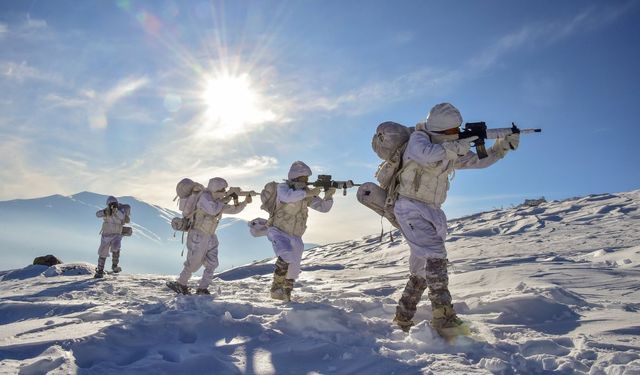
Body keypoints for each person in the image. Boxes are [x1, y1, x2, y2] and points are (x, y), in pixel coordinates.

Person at [392, 103, 520, 335]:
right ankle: (443, 316)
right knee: (436, 253)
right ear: (440, 131)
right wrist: (460, 144)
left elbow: (478, 161)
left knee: (422, 269)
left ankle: (403, 317)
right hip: (408, 206)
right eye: (453, 131)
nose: (456, 135)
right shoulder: (419, 139)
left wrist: (502, 147)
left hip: (432, 210)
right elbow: (428, 155)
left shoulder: (448, 147)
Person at [167, 177, 251, 295]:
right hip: (198, 234)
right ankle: (181, 283)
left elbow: (232, 210)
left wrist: (244, 202)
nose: (223, 192)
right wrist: (228, 198)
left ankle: (202, 288)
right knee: (193, 262)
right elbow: (213, 210)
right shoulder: (205, 197)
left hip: (210, 235)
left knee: (212, 263)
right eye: (222, 189)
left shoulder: (216, 201)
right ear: (215, 189)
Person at [267, 161, 335, 302]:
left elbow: (323, 208)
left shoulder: (305, 194)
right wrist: (307, 192)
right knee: (286, 255)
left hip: (296, 236)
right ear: (295, 178)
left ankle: (286, 293)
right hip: (278, 231)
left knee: (294, 268)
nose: (306, 181)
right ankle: (276, 288)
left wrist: (328, 196)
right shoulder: (283, 187)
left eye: (307, 179)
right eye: (303, 178)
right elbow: (288, 197)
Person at [95, 196, 129, 278]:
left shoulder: (121, 211)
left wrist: (115, 211)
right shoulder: (106, 211)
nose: (112, 206)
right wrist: (105, 211)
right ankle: (100, 270)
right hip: (106, 235)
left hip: (116, 235)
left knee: (116, 249)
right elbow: (97, 214)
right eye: (111, 204)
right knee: (103, 252)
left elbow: (122, 217)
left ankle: (114, 266)